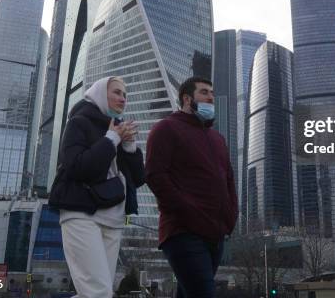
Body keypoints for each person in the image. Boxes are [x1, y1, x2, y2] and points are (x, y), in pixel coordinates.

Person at [49, 76, 144, 298]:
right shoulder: (79, 122)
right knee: (97, 292)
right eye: (117, 92)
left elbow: (138, 179)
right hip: (81, 213)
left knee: (95, 293)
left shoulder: (119, 130)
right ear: (100, 93)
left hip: (113, 218)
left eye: (125, 94)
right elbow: (77, 167)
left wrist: (129, 148)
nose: (122, 98)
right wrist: (111, 139)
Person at [146, 76, 238, 298]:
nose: (211, 97)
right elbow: (155, 175)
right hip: (183, 231)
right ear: (187, 98)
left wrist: (231, 215)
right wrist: (187, 210)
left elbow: (228, 181)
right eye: (204, 92)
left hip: (216, 234)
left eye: (212, 93)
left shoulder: (217, 139)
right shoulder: (166, 128)